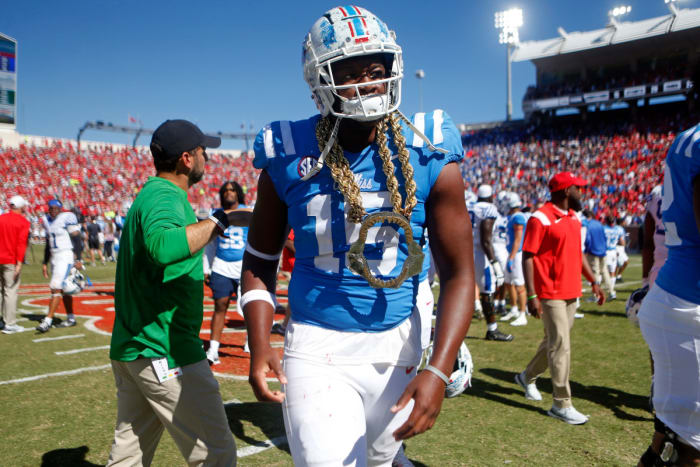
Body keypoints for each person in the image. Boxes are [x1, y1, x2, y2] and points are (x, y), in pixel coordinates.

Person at [241, 6, 474, 465]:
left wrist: (439, 369)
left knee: (383, 459)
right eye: (349, 72)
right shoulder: (286, 151)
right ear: (319, 81)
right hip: (316, 344)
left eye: (376, 69)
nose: (369, 82)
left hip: (399, 340)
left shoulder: (429, 148)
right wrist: (260, 342)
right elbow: (260, 258)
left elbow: (461, 273)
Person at [107, 119, 236, 466]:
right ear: (186, 159)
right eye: (202, 151)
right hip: (166, 349)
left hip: (139, 346)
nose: (207, 157)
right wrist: (219, 222)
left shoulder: (155, 193)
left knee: (128, 456)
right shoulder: (164, 195)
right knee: (216, 454)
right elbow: (163, 247)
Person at [515, 172, 605, 425]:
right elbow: (528, 257)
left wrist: (594, 282)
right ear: (566, 190)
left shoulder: (574, 217)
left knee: (553, 342)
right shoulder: (540, 218)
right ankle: (561, 403)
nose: (582, 193)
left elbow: (578, 254)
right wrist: (532, 295)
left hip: (571, 291)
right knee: (561, 345)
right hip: (549, 293)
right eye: (579, 188)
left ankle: (527, 376)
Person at [637, 124, 700, 466]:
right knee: (690, 450)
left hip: (672, 294)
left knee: (666, 440)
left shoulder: (686, 139)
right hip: (691, 305)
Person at [204, 180, 249, 365]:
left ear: (238, 193)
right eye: (225, 190)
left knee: (249, 306)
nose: (228, 193)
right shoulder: (216, 214)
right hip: (222, 264)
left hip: (244, 265)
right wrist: (206, 268)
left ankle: (250, 341)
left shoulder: (249, 211)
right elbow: (210, 243)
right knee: (220, 304)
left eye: (232, 190)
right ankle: (213, 349)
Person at [469, 184, 513, 341]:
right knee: (487, 291)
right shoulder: (489, 209)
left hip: (466, 251)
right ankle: (492, 330)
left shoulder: (470, 206)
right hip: (480, 254)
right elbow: (486, 240)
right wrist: (494, 263)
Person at [36, 199, 83, 333]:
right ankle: (71, 318)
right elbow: (47, 243)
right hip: (55, 257)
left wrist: (78, 258)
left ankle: (47, 321)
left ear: (61, 209)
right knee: (63, 289)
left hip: (65, 255)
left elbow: (77, 238)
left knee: (55, 287)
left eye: (56, 208)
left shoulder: (66, 217)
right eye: (51, 207)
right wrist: (45, 262)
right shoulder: (46, 221)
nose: (53, 210)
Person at [0, 196, 31, 334]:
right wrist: (19, 262)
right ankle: (10, 323)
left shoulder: (1, 218)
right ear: (21, 207)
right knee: (10, 291)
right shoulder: (23, 222)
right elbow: (21, 243)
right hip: (10, 260)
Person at [501, 193, 528, 326]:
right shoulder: (513, 216)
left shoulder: (518, 217)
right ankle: (514, 309)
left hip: (516, 254)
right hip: (510, 253)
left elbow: (518, 239)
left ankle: (523, 314)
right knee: (508, 282)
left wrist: (511, 257)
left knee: (519, 284)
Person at [641, 185, 666, 287]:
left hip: (659, 270)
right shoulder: (690, 187)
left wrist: (645, 280)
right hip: (689, 267)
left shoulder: (658, 191)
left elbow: (648, 244)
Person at [583, 210, 612, 300]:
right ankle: (611, 291)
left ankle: (596, 295)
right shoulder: (599, 224)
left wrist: (586, 250)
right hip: (602, 250)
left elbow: (587, 239)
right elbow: (604, 237)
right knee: (604, 271)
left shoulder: (587, 224)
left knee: (595, 272)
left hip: (593, 250)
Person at [603, 215, 622, 300]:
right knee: (612, 272)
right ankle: (612, 291)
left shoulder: (603, 229)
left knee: (602, 271)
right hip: (613, 251)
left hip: (605, 251)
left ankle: (598, 294)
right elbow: (621, 242)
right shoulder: (618, 229)